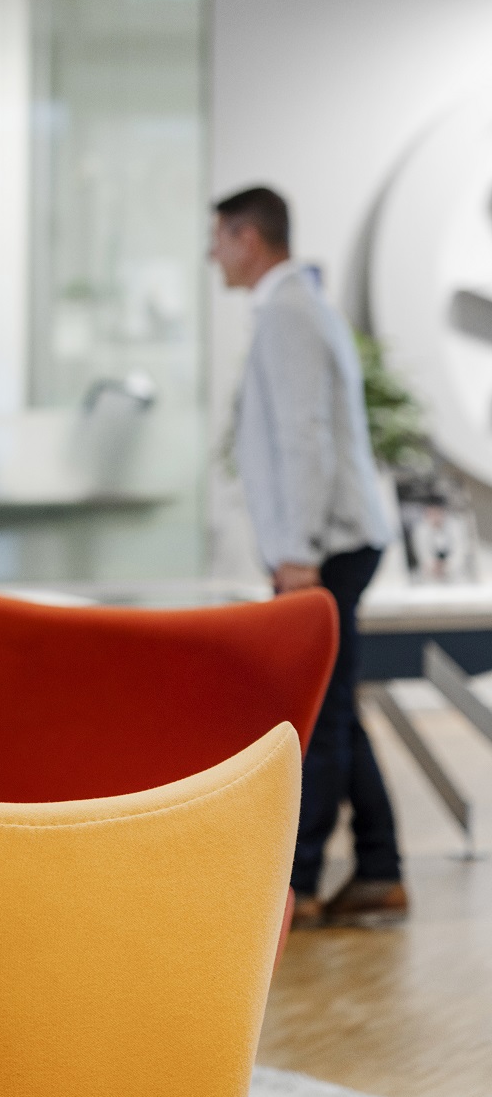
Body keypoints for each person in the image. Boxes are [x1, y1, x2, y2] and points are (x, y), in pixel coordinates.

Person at [211, 185, 406, 927]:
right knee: (335, 708)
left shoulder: (289, 312)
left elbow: (304, 438)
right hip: (336, 543)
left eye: (218, 239)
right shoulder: (298, 306)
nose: (211, 254)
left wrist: (296, 553)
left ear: (248, 237)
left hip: (322, 549)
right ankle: (380, 867)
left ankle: (301, 883)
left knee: (316, 716)